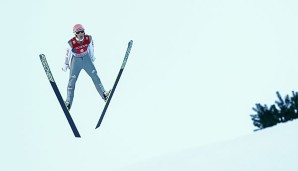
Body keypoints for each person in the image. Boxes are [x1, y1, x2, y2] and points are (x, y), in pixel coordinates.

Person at [62, 24, 110, 110]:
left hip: (86, 58)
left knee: (95, 76)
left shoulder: (88, 38)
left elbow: (91, 48)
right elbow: (67, 54)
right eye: (78, 32)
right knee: (72, 81)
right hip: (76, 60)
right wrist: (66, 64)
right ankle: (68, 103)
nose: (81, 34)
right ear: (75, 34)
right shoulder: (71, 43)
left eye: (82, 31)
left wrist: (91, 57)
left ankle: (104, 94)